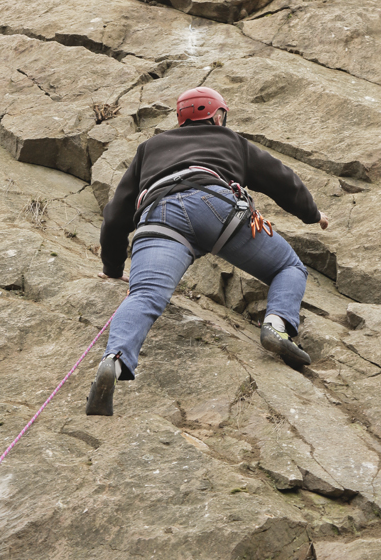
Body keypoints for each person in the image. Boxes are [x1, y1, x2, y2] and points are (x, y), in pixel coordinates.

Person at [86, 86, 329, 416]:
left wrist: (113, 267)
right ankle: (276, 326)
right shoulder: (230, 140)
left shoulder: (150, 147)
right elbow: (280, 179)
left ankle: (114, 360)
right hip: (215, 207)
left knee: (143, 295)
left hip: (158, 217)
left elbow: (116, 213)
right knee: (288, 267)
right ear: (217, 115)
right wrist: (313, 214)